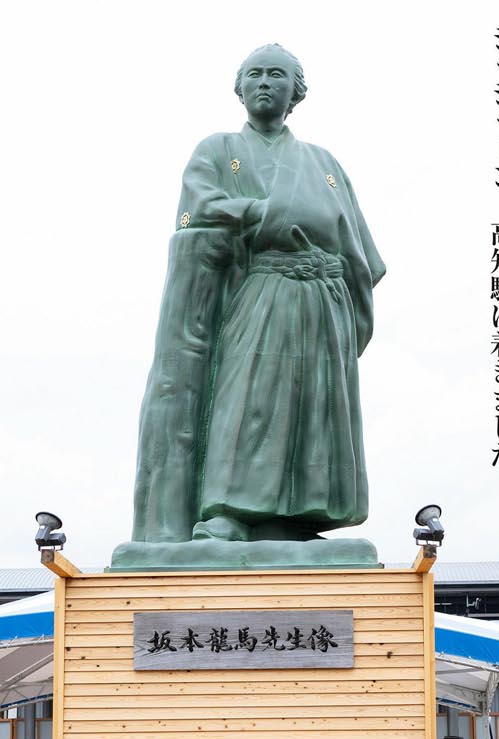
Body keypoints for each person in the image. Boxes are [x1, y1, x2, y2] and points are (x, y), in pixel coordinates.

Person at [129, 43, 384, 545]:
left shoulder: (323, 162)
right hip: (262, 286)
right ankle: (231, 511)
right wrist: (265, 214)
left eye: (277, 75)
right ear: (240, 87)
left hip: (323, 297)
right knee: (250, 399)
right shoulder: (218, 150)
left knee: (313, 402)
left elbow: (359, 246)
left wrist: (345, 297)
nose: (265, 82)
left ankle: (293, 518)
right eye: (256, 74)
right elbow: (200, 207)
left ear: (296, 93)